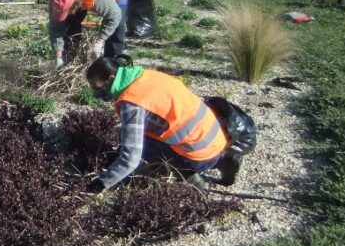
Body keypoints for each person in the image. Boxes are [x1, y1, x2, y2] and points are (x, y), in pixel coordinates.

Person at [84, 55, 243, 193]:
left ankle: (194, 179)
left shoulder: (132, 103)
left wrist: (101, 183)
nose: (96, 93)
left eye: (98, 88)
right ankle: (225, 158)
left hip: (200, 156)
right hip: (216, 137)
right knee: (136, 132)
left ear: (111, 79)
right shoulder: (145, 75)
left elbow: (130, 159)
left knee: (132, 139)